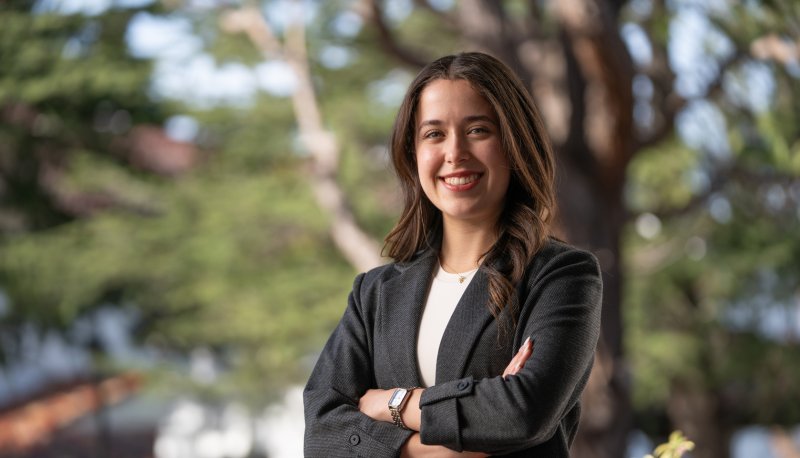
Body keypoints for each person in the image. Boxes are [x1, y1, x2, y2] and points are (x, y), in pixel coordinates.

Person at [304, 51, 602, 457]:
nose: (455, 152)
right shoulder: (375, 294)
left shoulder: (561, 275)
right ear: (412, 153)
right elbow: (321, 434)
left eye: (478, 130)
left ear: (513, 143)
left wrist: (392, 404)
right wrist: (450, 446)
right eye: (434, 134)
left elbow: (521, 413)